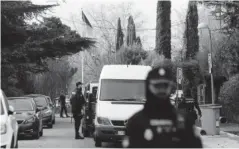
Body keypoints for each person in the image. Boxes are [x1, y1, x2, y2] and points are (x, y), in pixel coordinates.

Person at [124, 64, 202, 148]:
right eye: (157, 86)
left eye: (165, 85)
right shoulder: (136, 122)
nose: (162, 89)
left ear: (170, 87)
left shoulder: (184, 121)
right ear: (148, 86)